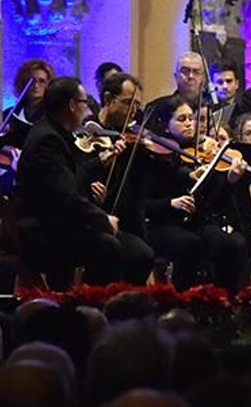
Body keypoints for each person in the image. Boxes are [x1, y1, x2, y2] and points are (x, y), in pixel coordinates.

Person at [12, 76, 154, 286]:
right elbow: (66, 198)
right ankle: (91, 301)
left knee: (140, 252)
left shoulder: (54, 132)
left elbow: (69, 177)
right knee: (112, 247)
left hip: (59, 222)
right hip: (46, 231)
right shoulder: (47, 140)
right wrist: (103, 220)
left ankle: (107, 300)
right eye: (84, 103)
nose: (87, 110)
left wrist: (99, 162)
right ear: (72, 106)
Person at [133, 95, 249, 291]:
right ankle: (185, 300)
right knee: (190, 244)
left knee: (233, 244)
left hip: (194, 223)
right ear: (165, 125)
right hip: (161, 224)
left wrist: (230, 182)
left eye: (191, 118)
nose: (189, 124)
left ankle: (225, 300)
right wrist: (171, 203)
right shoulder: (152, 157)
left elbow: (211, 202)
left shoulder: (197, 154)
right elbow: (141, 203)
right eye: (181, 119)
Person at [142, 52, 216, 134]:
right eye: (185, 71)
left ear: (203, 78)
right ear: (176, 76)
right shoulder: (155, 108)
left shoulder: (216, 107)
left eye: (196, 72)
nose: (191, 76)